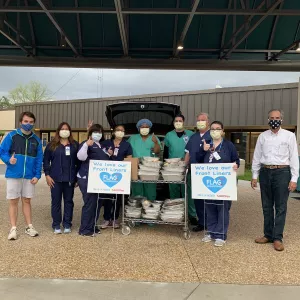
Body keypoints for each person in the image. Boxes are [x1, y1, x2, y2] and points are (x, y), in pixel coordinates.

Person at [251, 109, 299, 251]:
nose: (274, 119)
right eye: (272, 117)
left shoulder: (289, 136)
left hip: (282, 172)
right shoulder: (262, 136)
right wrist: (254, 175)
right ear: (268, 119)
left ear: (281, 120)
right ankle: (268, 235)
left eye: (277, 117)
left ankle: (277, 238)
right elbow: (257, 156)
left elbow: (294, 158)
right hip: (265, 172)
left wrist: (294, 178)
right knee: (266, 206)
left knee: (280, 207)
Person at [0, 111, 43, 240]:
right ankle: (13, 228)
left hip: (29, 176)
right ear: (20, 122)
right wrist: (8, 160)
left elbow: (39, 158)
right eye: (26, 121)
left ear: (33, 123)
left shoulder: (36, 140)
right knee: (13, 201)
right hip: (14, 174)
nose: (28, 124)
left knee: (27, 200)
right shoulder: (12, 136)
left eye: (30, 122)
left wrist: (37, 174)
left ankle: (29, 226)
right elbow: (2, 151)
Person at [200, 121, 239, 247]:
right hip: (209, 182)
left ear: (223, 131)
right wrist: (203, 151)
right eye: (212, 129)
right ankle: (211, 232)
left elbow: (236, 160)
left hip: (224, 183)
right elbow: (198, 160)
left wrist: (235, 165)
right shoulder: (206, 144)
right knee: (210, 207)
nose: (215, 131)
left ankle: (221, 235)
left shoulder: (229, 145)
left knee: (222, 208)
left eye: (218, 129)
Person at [43, 122, 80, 234]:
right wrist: (47, 175)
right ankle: (56, 225)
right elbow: (45, 161)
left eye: (66, 129)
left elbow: (79, 162)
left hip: (69, 179)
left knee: (69, 202)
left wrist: (77, 178)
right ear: (58, 131)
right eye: (62, 129)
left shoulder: (74, 145)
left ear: (70, 131)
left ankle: (67, 224)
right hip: (55, 179)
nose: (64, 130)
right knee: (56, 202)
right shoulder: (52, 145)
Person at [77, 124, 112, 236]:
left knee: (98, 202)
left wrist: (108, 154)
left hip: (98, 180)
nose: (98, 133)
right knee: (90, 203)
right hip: (87, 178)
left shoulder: (100, 145)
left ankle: (92, 226)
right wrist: (87, 145)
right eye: (96, 131)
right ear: (91, 133)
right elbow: (81, 157)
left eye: (100, 131)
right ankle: (84, 229)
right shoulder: (86, 143)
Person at [100, 125, 133, 229]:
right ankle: (106, 218)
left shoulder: (126, 145)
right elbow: (98, 154)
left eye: (122, 130)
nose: (120, 132)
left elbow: (129, 159)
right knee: (107, 197)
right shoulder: (106, 143)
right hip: (106, 174)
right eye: (118, 130)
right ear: (114, 132)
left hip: (120, 175)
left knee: (117, 197)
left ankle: (114, 219)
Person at [185, 112, 212, 231]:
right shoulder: (193, 137)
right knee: (198, 199)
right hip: (195, 172)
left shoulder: (212, 135)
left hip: (209, 172)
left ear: (208, 122)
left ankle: (212, 222)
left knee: (209, 198)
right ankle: (202, 222)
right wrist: (184, 167)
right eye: (198, 120)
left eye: (203, 120)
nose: (200, 122)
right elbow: (188, 153)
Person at [128, 119, 162, 201]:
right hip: (136, 168)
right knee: (137, 189)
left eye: (146, 127)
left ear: (150, 128)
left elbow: (157, 151)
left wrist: (156, 143)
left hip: (150, 168)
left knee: (150, 189)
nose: (144, 128)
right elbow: (127, 151)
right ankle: (137, 208)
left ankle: (149, 209)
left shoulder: (154, 138)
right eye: (142, 127)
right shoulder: (132, 138)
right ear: (138, 128)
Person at [164, 113, 193, 196]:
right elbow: (166, 151)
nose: (178, 122)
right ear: (173, 123)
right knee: (173, 188)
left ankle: (186, 207)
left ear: (183, 122)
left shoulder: (190, 134)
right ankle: (174, 207)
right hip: (172, 166)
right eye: (176, 121)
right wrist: (165, 165)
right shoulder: (169, 135)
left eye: (180, 121)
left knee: (186, 188)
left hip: (186, 166)